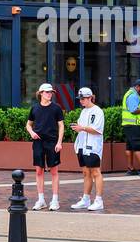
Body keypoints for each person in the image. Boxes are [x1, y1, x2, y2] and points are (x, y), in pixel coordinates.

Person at [26, 82, 64, 210]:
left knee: (54, 171)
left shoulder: (56, 108)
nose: (49, 94)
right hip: (38, 142)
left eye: (51, 92)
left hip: (52, 142)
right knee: (38, 171)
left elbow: (61, 125)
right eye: (47, 92)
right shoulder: (35, 108)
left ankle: (55, 200)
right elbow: (28, 124)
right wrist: (32, 133)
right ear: (41, 93)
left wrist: (59, 142)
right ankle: (41, 200)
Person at [70, 86, 105, 212]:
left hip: (93, 147)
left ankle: (99, 200)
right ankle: (86, 199)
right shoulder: (83, 111)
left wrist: (82, 128)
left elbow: (97, 130)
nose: (81, 101)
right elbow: (82, 127)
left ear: (90, 97)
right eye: (80, 99)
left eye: (83, 98)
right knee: (85, 173)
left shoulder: (98, 111)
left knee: (95, 172)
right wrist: (78, 128)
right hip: (81, 146)